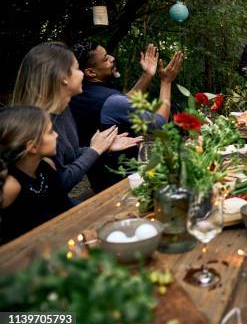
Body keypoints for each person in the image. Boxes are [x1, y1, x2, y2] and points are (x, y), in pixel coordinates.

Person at [11, 42, 140, 194]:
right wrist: (94, 151)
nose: (83, 74)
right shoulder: (38, 125)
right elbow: (56, 185)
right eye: (77, 68)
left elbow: (68, 156)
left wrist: (104, 147)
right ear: (63, 78)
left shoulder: (63, 110)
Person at [69, 41, 183, 191]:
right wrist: (166, 82)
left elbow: (123, 103)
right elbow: (159, 123)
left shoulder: (80, 95)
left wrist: (147, 74)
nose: (112, 58)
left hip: (101, 180)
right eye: (105, 59)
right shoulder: (111, 102)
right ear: (90, 72)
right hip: (128, 181)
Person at [0, 106, 73, 244]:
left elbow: (65, 208)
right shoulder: (11, 186)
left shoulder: (47, 165)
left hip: (61, 240)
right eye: (50, 132)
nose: (56, 135)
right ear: (32, 146)